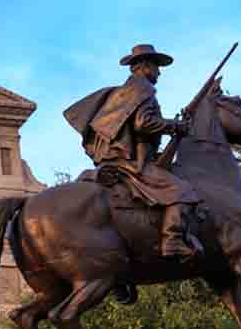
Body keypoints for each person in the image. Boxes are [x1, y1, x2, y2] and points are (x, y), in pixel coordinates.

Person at [64, 44, 205, 262]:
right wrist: (174, 126)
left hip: (114, 159)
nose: (159, 72)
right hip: (130, 163)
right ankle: (172, 240)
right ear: (145, 66)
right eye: (156, 67)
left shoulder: (123, 93)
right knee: (182, 190)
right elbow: (143, 124)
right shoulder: (143, 90)